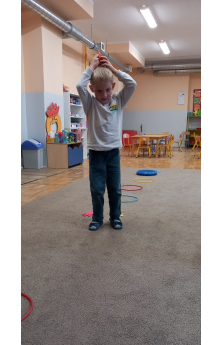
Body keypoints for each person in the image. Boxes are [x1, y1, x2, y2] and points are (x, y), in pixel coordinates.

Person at [76, 53, 137, 231]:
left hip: (113, 153)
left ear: (113, 87)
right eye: (99, 91)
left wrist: (112, 69)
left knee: (115, 189)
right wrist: (91, 68)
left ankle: (115, 217)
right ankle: (97, 218)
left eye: (108, 90)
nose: (104, 94)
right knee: (97, 189)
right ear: (92, 89)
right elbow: (79, 85)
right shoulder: (89, 103)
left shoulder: (118, 100)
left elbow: (132, 83)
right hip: (96, 153)